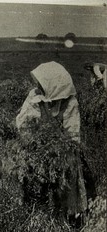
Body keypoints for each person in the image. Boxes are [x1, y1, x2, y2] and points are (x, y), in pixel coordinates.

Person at [15, 61, 92, 221]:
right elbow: (24, 123)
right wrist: (39, 141)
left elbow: (72, 131)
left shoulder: (70, 102)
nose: (40, 86)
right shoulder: (34, 96)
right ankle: (37, 214)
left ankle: (66, 217)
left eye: (44, 83)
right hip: (38, 148)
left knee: (67, 180)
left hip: (62, 150)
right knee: (34, 178)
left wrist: (61, 149)